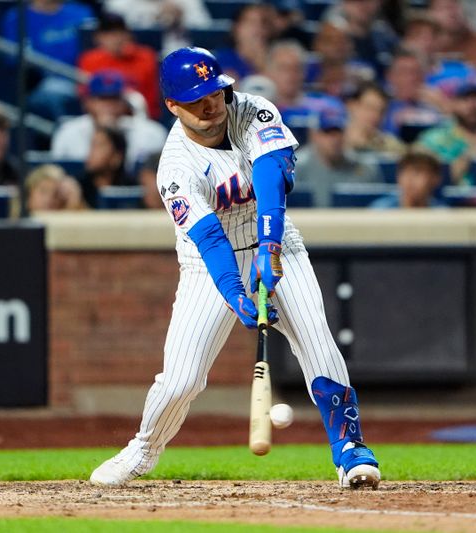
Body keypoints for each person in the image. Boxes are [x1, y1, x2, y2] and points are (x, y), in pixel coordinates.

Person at [89, 47, 381, 489]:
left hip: (278, 242)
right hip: (209, 264)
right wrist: (233, 291)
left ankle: (350, 450)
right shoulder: (174, 168)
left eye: (214, 92)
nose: (210, 104)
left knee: (318, 343)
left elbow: (271, 174)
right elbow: (208, 238)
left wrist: (270, 246)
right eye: (195, 98)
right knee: (182, 380)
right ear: (171, 106)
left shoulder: (253, 110)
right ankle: (143, 449)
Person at [51, 70, 168, 171]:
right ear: (88, 102)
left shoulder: (152, 133)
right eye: (102, 99)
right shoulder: (68, 132)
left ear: (123, 102)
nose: (109, 106)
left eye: (114, 99)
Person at [0, 0, 96, 120]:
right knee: (53, 92)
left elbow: (98, 49)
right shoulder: (17, 18)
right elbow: (15, 60)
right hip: (45, 83)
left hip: (86, 78)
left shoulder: (81, 11)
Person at [293, 105, 381, 207]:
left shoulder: (365, 168)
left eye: (339, 132)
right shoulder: (294, 167)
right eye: (328, 132)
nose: (334, 139)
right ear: (314, 135)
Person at [78, 13, 162, 119]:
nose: (114, 38)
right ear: (98, 37)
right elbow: (87, 96)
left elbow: (152, 97)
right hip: (101, 118)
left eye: (118, 32)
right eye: (108, 34)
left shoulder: (145, 56)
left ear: (128, 35)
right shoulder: (89, 59)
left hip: (138, 116)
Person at [103, 0, 213, 54]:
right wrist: (151, 19)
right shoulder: (119, 3)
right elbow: (109, 32)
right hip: (133, 59)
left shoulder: (187, 2)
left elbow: (206, 30)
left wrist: (182, 17)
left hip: (180, 57)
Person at [322, 0, 398, 78]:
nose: (363, 5)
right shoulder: (332, 36)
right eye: (358, 1)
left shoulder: (384, 35)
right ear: (345, 3)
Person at [427, 0, 476, 72]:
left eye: (456, 6)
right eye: (444, 8)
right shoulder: (425, 48)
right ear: (430, 14)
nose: (452, 13)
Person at [383, 49, 443, 139]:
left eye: (416, 72)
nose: (411, 78)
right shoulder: (380, 105)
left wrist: (444, 108)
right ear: (390, 76)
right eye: (404, 72)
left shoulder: (433, 106)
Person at [344, 81, 406, 157]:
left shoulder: (390, 145)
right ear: (351, 105)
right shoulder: (334, 140)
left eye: (381, 111)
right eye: (370, 108)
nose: (375, 115)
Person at [213, 4, 273, 81]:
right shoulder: (221, 61)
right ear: (236, 28)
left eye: (263, 23)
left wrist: (263, 65)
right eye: (251, 22)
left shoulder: (278, 58)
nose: (258, 28)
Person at [81, 125, 135, 208]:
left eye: (98, 146)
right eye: (92, 145)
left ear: (117, 157)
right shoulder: (80, 188)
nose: (91, 152)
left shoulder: (132, 189)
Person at [370, 151, 447, 208]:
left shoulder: (443, 215)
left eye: (417, 173)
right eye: (405, 172)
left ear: (435, 178)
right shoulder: (380, 210)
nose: (410, 179)